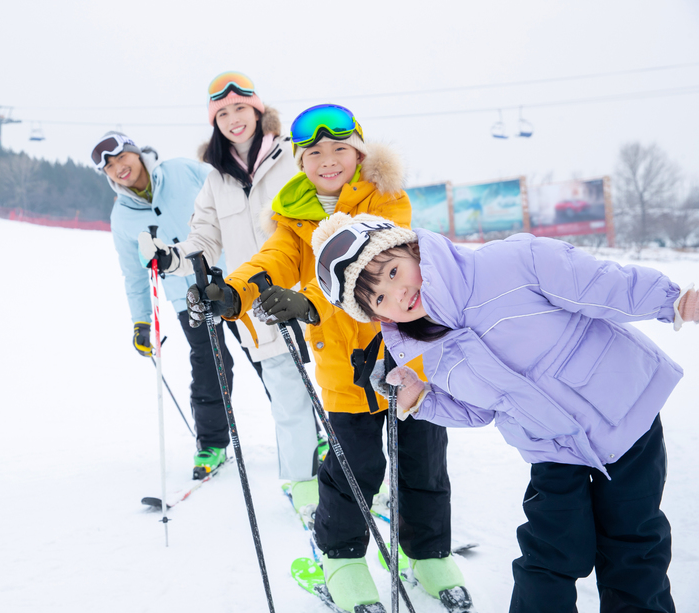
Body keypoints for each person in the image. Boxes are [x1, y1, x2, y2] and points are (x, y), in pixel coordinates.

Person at [312, 212, 695, 613]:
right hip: (552, 449)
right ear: (378, 317)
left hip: (625, 417)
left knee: (632, 545)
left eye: (392, 272)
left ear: (411, 249)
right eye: (379, 299)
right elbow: (480, 412)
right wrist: (422, 399)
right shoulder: (435, 352)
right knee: (549, 554)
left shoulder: (511, 262)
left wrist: (676, 302)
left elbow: (603, 286)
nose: (398, 295)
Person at [186, 104, 467, 612]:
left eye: (340, 148)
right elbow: (276, 260)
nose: (328, 160)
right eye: (314, 153)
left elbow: (369, 264)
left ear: (359, 153)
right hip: (343, 361)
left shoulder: (387, 199)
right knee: (352, 467)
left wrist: (309, 301)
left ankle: (427, 551)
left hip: (410, 358)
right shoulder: (295, 211)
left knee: (423, 460)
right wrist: (233, 293)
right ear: (300, 161)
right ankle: (341, 559)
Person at [137, 72, 324, 502]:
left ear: (258, 110)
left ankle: (368, 486)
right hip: (260, 306)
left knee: (342, 396)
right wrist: (172, 256)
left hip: (314, 298)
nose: (233, 118)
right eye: (222, 113)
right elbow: (204, 238)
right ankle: (306, 494)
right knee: (289, 406)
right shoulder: (215, 179)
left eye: (240, 107)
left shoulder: (293, 156)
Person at [94, 131, 237, 479]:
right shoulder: (122, 218)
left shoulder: (181, 171)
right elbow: (133, 274)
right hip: (187, 299)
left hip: (235, 279)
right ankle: (212, 445)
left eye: (121, 158)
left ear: (136, 152)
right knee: (209, 368)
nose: (118, 168)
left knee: (268, 357)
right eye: (109, 167)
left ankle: (311, 436)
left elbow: (231, 196)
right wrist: (141, 322)